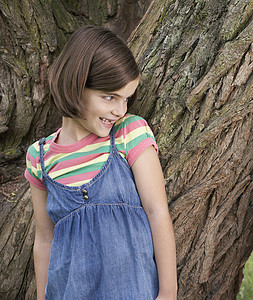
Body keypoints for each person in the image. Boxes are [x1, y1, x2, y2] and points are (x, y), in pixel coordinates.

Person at [25, 26, 177, 299]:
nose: (120, 110)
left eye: (126, 99)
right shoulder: (40, 158)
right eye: (109, 97)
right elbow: (44, 239)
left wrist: (168, 292)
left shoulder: (128, 134)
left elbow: (157, 212)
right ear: (76, 85)